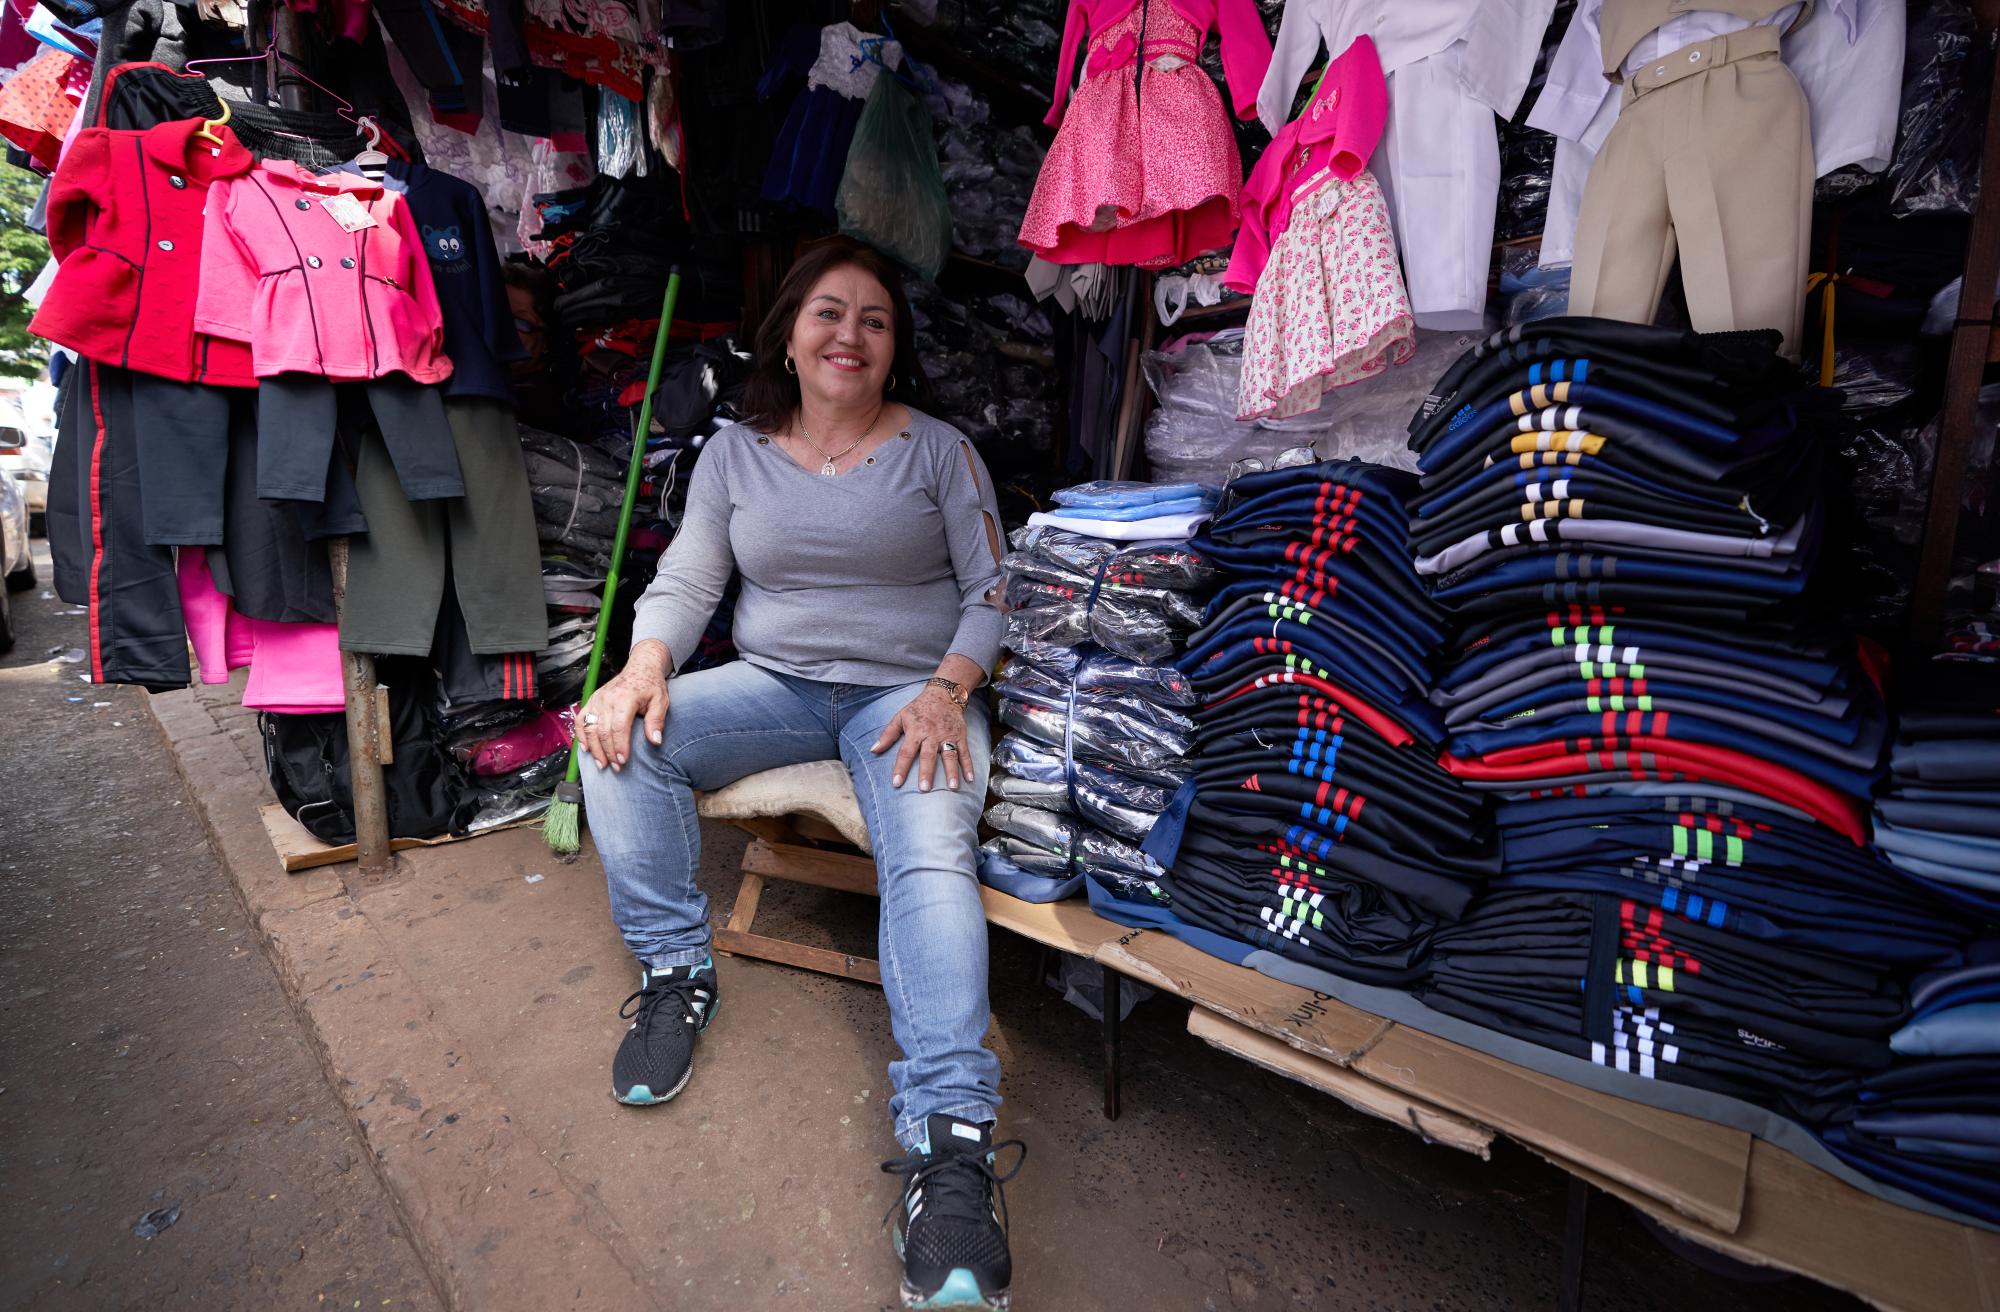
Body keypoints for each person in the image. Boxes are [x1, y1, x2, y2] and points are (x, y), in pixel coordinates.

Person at [575, 237, 1024, 1312]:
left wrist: (947, 690)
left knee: (925, 854)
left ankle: (949, 1148)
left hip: (909, 700)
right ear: (787, 329)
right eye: (829, 312)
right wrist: (641, 667)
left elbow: (996, 591)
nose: (850, 335)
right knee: (616, 739)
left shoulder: (940, 452)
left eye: (873, 319)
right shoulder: (734, 455)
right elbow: (687, 576)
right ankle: (678, 970)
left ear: (892, 347)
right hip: (774, 683)